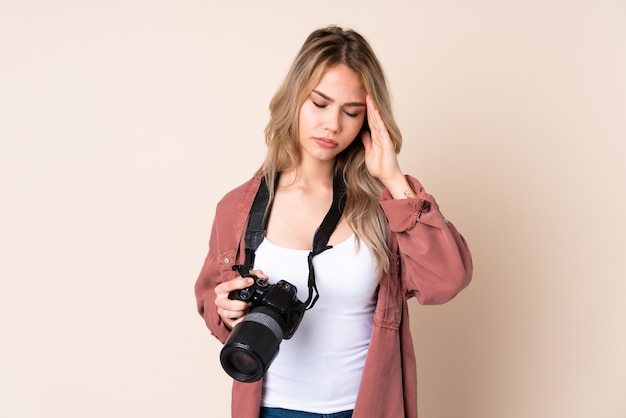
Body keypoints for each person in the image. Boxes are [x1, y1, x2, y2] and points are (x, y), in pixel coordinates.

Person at [194, 25, 473, 418]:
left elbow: (447, 280)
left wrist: (393, 178)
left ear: (368, 120)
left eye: (351, 112)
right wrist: (224, 309)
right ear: (294, 100)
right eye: (320, 103)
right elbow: (212, 304)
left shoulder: (385, 204)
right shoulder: (238, 208)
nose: (332, 125)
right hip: (272, 408)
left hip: (367, 406)